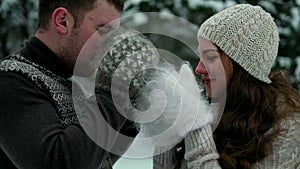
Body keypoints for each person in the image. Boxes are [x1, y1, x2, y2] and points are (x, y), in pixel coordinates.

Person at [153, 4, 300, 169]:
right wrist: (166, 132)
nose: (199, 69)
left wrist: (197, 125)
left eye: (210, 58)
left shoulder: (289, 133)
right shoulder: (215, 110)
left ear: (241, 66)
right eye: (200, 56)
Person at [0, 0, 139, 169]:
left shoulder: (70, 85)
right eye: (103, 30)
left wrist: (133, 101)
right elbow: (59, 162)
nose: (110, 44)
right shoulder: (10, 80)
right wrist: (114, 92)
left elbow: (97, 160)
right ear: (62, 21)